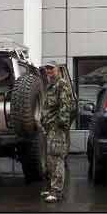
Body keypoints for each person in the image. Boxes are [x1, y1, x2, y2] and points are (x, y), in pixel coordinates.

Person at [40, 60, 72, 203]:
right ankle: (51, 188)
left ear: (57, 70)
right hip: (49, 127)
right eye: (47, 69)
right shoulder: (50, 86)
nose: (49, 71)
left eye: (51, 69)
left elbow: (65, 107)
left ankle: (57, 191)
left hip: (57, 128)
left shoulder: (62, 84)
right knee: (50, 160)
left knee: (57, 158)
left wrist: (61, 126)